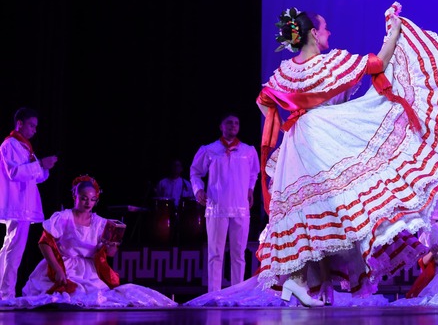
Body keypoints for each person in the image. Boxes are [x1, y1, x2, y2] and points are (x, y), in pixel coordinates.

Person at [184, 3, 438, 309]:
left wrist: (288, 124)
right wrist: (394, 34)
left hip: (297, 144)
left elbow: (263, 101)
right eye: (325, 28)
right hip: (321, 138)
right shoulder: (327, 65)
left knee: (311, 213)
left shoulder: (286, 72)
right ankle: (305, 282)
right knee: (333, 211)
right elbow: (378, 63)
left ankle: (303, 281)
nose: (328, 32)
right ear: (314, 34)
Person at [0, 175, 176, 308]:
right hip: (64, 264)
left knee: (97, 299)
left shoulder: (100, 223)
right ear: (75, 196)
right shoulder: (64, 218)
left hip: (88, 270)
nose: (88, 203)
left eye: (92, 199)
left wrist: (110, 246)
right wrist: (57, 269)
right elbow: (44, 243)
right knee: (59, 299)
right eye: (84, 198)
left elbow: (111, 253)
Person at [190, 113, 259, 293]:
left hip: (240, 206)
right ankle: (214, 293)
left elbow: (254, 173)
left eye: (236, 123)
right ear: (221, 126)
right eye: (229, 122)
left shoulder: (248, 151)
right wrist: (198, 190)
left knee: (239, 254)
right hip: (216, 206)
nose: (233, 126)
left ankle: (236, 293)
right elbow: (195, 172)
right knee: (215, 253)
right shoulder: (210, 150)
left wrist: (250, 189)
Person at [0, 107, 58, 299]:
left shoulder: (24, 146)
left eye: (36, 126)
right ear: (20, 124)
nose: (34, 130)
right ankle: (6, 295)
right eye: (31, 125)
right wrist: (40, 164)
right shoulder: (10, 144)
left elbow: (37, 176)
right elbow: (14, 173)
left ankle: (4, 293)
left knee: (10, 248)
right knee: (13, 251)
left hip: (23, 206)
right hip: (17, 206)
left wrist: (44, 167)